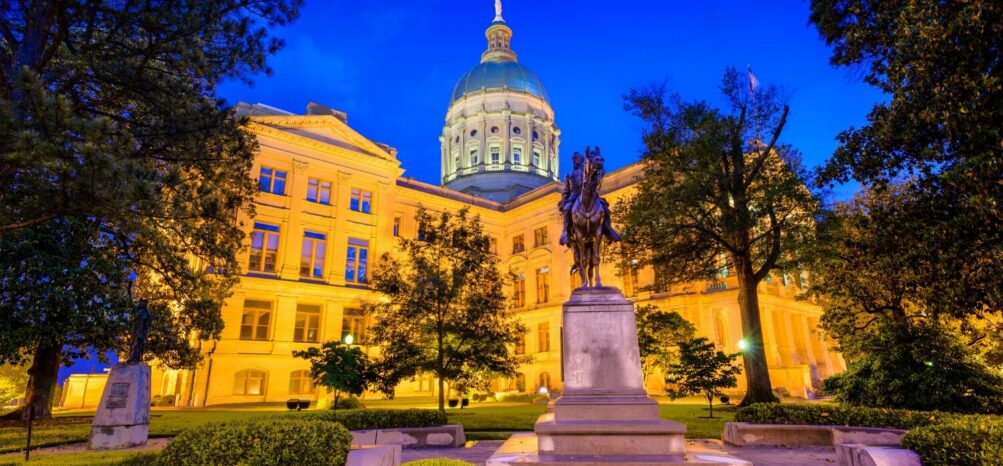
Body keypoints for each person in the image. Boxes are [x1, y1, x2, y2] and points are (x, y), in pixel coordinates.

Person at [558, 148, 621, 246]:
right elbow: (566, 191)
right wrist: (564, 202)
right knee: (566, 210)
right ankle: (566, 232)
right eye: (573, 159)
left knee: (605, 208)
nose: (574, 160)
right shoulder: (569, 175)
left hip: (590, 194)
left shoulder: (586, 171)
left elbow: (595, 179)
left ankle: (608, 229)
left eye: (576, 158)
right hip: (574, 195)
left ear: (580, 160)